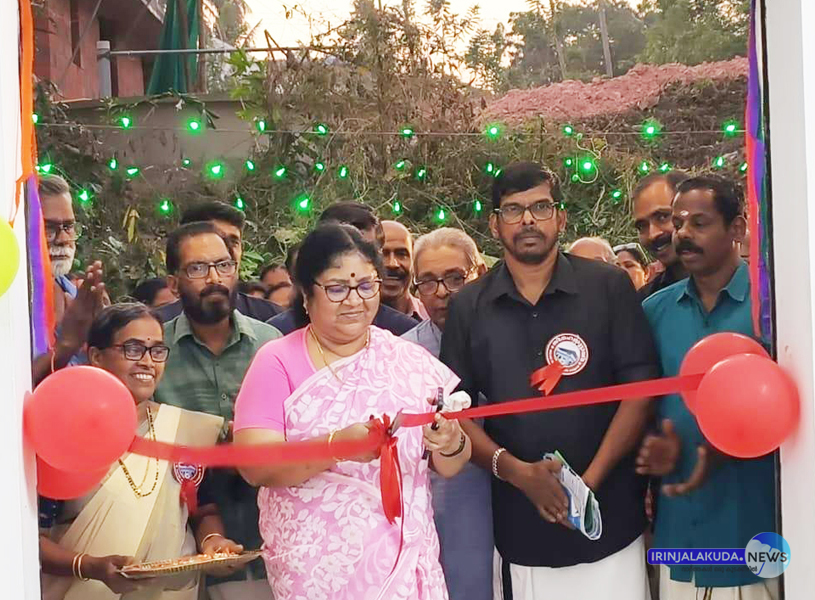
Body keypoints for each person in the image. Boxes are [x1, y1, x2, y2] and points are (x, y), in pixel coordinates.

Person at [441, 162, 660, 600]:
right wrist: (517, 472)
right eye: (513, 209)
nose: (527, 220)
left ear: (560, 217)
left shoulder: (608, 287)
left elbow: (640, 389)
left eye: (540, 207)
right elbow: (454, 413)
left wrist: (587, 484)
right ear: (494, 224)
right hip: (523, 525)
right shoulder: (469, 306)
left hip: (609, 517)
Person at [233, 223, 471, 600]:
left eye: (366, 285)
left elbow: (452, 463)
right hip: (317, 572)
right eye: (337, 288)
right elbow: (254, 465)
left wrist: (451, 441)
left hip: (405, 565)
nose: (354, 300)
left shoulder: (407, 360)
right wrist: (337, 446)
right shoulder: (276, 360)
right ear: (306, 294)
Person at [39, 303, 242, 600]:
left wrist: (213, 541)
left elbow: (202, 507)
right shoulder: (62, 433)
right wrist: (89, 566)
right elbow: (28, 538)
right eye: (133, 349)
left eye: (157, 351)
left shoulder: (183, 428)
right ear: (96, 356)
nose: (148, 362)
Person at [637, 176, 777, 600]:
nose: (683, 234)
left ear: (737, 228)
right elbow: (644, 406)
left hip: (754, 527)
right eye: (679, 223)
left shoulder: (774, 306)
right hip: (680, 529)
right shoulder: (653, 312)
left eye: (699, 223)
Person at [154, 222, 281, 600]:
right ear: (174, 283)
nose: (214, 279)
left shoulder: (270, 345)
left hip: (271, 528)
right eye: (198, 268)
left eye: (224, 265)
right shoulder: (155, 351)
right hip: (180, 535)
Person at [402, 227, 491, 600]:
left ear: (480, 273)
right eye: (428, 282)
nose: (442, 292)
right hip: (448, 507)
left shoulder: (512, 336)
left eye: (455, 278)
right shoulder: (404, 355)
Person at [268, 203, 418, 336]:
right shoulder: (277, 333)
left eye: (367, 252)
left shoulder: (404, 335)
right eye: (344, 252)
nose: (355, 262)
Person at [32, 175, 107, 385]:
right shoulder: (10, 302)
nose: (63, 239)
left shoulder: (79, 296)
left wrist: (104, 334)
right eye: (49, 228)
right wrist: (67, 344)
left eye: (68, 226)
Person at [155, 201, 281, 323]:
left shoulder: (271, 318)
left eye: (233, 242)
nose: (228, 251)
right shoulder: (158, 327)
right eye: (217, 240)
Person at [633, 171, 690, 299]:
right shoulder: (646, 302)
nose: (652, 234)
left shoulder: (735, 280)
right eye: (642, 226)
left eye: (662, 217)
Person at [381, 220, 429, 320]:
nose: (392, 264)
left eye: (401, 254)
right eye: (382, 254)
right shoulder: (351, 321)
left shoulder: (431, 317)